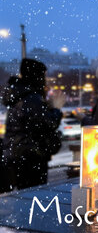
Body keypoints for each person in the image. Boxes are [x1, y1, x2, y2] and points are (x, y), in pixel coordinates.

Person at [1, 59, 65, 192]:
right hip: (30, 158)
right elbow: (48, 123)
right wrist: (57, 109)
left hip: (17, 156)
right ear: (37, 77)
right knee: (34, 196)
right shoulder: (31, 98)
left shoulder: (20, 95)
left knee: (23, 197)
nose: (45, 80)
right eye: (43, 76)